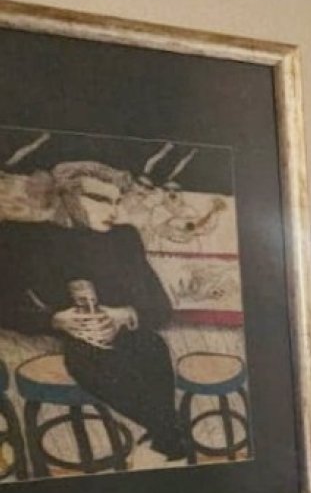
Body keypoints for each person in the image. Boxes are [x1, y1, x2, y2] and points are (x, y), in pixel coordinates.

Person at [0, 160, 189, 461]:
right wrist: (54, 320)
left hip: (130, 336)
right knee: (90, 359)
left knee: (151, 345)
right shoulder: (27, 238)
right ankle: (169, 440)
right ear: (66, 196)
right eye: (100, 199)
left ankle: (165, 439)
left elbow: (160, 308)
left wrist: (124, 314)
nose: (113, 211)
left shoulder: (124, 238)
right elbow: (5, 306)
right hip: (76, 343)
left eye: (117, 201)